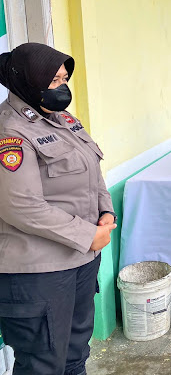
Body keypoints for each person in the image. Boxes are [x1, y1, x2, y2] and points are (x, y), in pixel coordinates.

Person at [0, 43, 117, 375]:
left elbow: (92, 170)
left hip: (80, 261)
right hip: (37, 272)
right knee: (43, 364)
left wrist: (106, 212)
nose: (62, 88)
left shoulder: (64, 119)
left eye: (64, 79)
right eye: (53, 81)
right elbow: (20, 206)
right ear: (28, 81)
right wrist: (87, 234)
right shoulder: (10, 129)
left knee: (75, 354)